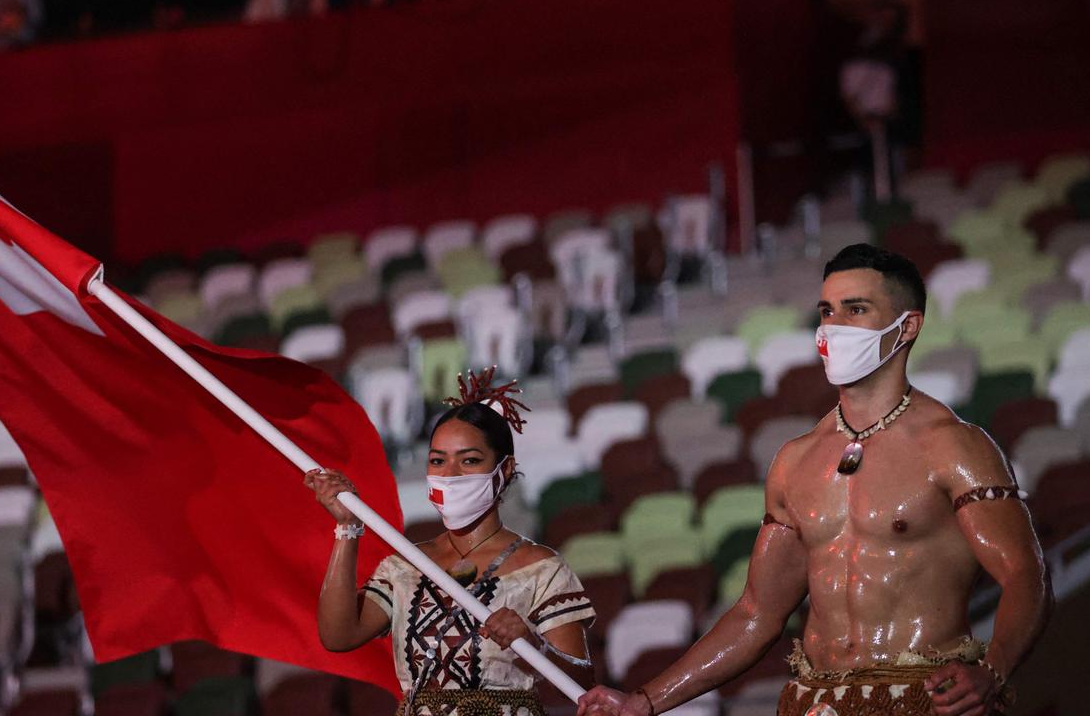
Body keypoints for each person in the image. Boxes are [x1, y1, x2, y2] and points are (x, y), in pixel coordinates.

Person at [578, 244, 1050, 716]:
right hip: (815, 701)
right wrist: (642, 701)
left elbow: (1026, 574)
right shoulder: (795, 461)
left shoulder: (953, 446)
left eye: (856, 309)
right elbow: (756, 614)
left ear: (908, 326)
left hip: (922, 699)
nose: (834, 326)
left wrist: (993, 668)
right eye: (827, 311)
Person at [306, 367, 596, 715]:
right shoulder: (406, 565)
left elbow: (583, 686)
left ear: (504, 470)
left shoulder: (542, 568)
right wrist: (347, 529)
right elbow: (338, 636)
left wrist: (534, 648)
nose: (450, 475)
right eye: (438, 461)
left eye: (469, 460)